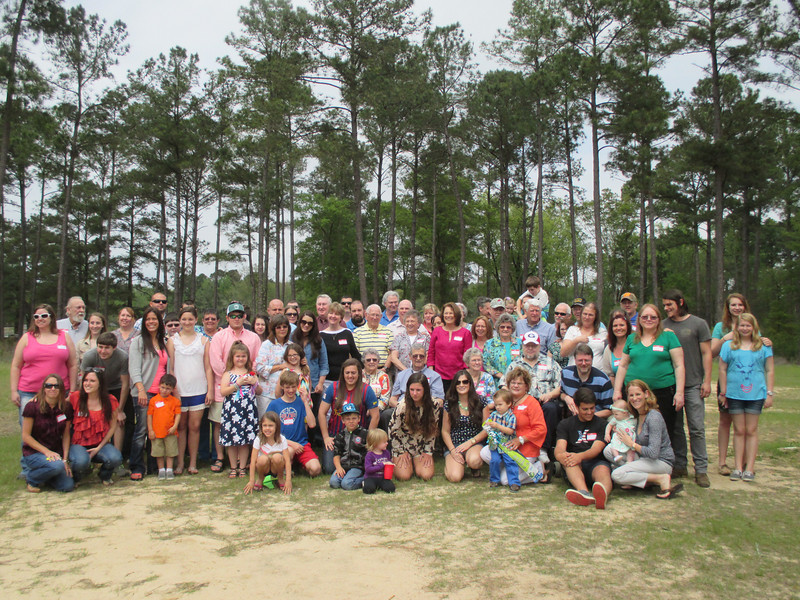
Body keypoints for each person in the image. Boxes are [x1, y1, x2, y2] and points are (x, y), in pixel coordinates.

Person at [612, 303, 685, 475]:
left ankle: (668, 465)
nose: (649, 320)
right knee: (636, 427)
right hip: (635, 395)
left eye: (653, 317)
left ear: (659, 319)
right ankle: (637, 463)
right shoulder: (632, 339)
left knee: (666, 428)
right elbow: (623, 365)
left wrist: (679, 392)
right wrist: (617, 390)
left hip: (663, 392)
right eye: (645, 317)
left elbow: (679, 365)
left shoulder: (668, 337)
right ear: (639, 319)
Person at [11, 303, 78, 475]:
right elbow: (16, 365)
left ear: (51, 317)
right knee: (28, 428)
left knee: (60, 427)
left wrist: (72, 390)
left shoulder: (63, 336)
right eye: (36, 316)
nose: (40, 319)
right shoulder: (27, 337)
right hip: (29, 391)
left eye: (44, 316)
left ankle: (62, 462)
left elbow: (72, 364)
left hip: (59, 392)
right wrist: (13, 391)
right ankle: (28, 468)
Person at [710, 293, 771, 476]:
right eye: (733, 305)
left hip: (751, 384)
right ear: (728, 308)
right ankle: (722, 462)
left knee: (747, 427)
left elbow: (759, 347)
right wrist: (725, 338)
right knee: (726, 421)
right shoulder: (721, 327)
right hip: (729, 382)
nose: (736, 308)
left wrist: (767, 341)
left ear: (745, 306)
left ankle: (745, 464)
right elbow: (712, 352)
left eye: (740, 305)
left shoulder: (749, 323)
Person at [663, 289, 712, 486]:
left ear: (680, 302)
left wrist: (707, 381)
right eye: (664, 305)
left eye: (670, 304)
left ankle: (701, 469)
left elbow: (707, 353)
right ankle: (680, 465)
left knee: (696, 428)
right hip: (671, 384)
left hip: (693, 384)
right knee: (676, 428)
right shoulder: (663, 326)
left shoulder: (698, 324)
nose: (666, 308)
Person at [208, 302, 262, 473]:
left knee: (245, 426)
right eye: (233, 316)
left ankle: (242, 461)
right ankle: (220, 457)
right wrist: (231, 375)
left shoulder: (253, 337)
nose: (236, 318)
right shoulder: (219, 336)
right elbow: (215, 361)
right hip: (224, 387)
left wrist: (249, 374)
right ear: (227, 318)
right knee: (221, 424)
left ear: (245, 317)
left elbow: (257, 359)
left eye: (240, 315)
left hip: (247, 388)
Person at [611, 380, 683, 499]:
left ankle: (660, 478)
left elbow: (653, 453)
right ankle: (643, 480)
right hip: (644, 458)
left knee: (617, 474)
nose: (635, 398)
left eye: (638, 394)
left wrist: (631, 444)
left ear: (646, 394)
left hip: (660, 461)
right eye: (631, 395)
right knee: (609, 451)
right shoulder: (636, 415)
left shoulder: (653, 417)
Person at [479, 367, 548, 485]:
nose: (515, 386)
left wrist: (521, 440)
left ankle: (539, 469)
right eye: (513, 383)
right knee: (484, 452)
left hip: (525, 448)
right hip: (505, 445)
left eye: (519, 383)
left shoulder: (532, 403)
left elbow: (541, 429)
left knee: (505, 481)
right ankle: (509, 470)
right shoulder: (506, 401)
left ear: (526, 386)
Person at [501, 332, 561, 462]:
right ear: (522, 346)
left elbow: (560, 386)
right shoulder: (514, 364)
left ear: (539, 346)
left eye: (533, 346)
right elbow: (503, 385)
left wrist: (550, 394)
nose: (530, 348)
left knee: (551, 408)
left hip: (544, 402)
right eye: (527, 345)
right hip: (520, 402)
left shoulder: (550, 363)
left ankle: (543, 448)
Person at [167, 306, 213, 475]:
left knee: (195, 427)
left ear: (196, 320)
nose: (187, 322)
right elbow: (171, 368)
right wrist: (174, 390)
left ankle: (193, 463)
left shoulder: (204, 340)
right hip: (179, 391)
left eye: (190, 319)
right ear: (180, 321)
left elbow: (208, 367)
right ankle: (180, 463)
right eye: (184, 319)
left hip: (198, 390)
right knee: (181, 427)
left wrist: (209, 390)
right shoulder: (172, 341)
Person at [128, 307, 169, 480]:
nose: (151, 322)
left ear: (160, 322)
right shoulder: (138, 342)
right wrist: (141, 390)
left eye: (154, 319)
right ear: (144, 322)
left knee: (156, 430)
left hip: (161, 394)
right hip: (144, 392)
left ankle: (153, 465)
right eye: (148, 319)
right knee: (142, 430)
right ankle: (137, 466)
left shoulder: (163, 341)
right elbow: (134, 368)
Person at [555, 388, 612, 509]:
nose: (589, 412)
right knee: (570, 462)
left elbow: (596, 449)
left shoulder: (602, 424)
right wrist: (561, 456)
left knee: (603, 470)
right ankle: (584, 493)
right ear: (576, 407)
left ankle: (602, 496)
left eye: (592, 408)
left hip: (595, 462)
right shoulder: (565, 424)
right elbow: (560, 447)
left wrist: (580, 456)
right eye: (585, 409)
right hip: (574, 464)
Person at [319, 358, 379, 474]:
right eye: (347, 373)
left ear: (359, 374)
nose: (350, 376)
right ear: (343, 373)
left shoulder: (366, 389)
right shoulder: (333, 387)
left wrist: (368, 438)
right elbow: (321, 413)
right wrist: (326, 437)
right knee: (329, 469)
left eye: (353, 373)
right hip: (335, 436)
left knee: (361, 466)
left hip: (358, 436)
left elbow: (375, 415)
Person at [68, 368, 123, 485]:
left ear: (100, 384)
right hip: (78, 444)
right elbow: (59, 403)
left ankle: (104, 476)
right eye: (85, 380)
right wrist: (37, 398)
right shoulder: (76, 397)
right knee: (81, 462)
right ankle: (76, 477)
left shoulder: (110, 400)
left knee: (115, 458)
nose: (87, 384)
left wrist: (98, 448)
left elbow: (112, 427)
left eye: (92, 381)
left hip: (100, 444)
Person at [21, 375, 74, 493]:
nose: (52, 389)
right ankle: (31, 479)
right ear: (43, 388)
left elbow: (66, 435)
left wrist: (65, 460)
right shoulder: (32, 406)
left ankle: (48, 477)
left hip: (56, 454)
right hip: (35, 453)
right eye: (49, 386)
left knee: (67, 486)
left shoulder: (66, 407)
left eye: (56, 386)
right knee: (57, 466)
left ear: (61, 389)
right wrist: (47, 452)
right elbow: (25, 436)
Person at [81, 332, 130, 457]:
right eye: (100, 347)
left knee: (119, 420)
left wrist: (120, 410)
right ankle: (88, 450)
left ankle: (118, 456)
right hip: (95, 388)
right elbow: (84, 380)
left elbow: (125, 384)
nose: (103, 351)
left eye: (107, 348)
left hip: (116, 387)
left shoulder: (122, 357)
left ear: (114, 348)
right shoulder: (89, 356)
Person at [266, 370, 322, 477]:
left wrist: (305, 402)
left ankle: (299, 465)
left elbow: (312, 424)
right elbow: (268, 431)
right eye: (287, 387)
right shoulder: (274, 404)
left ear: (297, 386)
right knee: (290, 451)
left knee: (315, 469)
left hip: (301, 443)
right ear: (282, 386)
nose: (291, 390)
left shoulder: (301, 402)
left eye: (293, 387)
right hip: (283, 443)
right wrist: (291, 443)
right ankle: (285, 470)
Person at [388, 373, 442, 481]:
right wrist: (400, 451)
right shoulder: (402, 406)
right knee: (404, 476)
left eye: (418, 390)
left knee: (426, 475)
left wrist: (428, 451)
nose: (414, 393)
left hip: (421, 444)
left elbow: (433, 430)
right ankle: (397, 459)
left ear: (425, 390)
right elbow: (392, 430)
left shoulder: (434, 405)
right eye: (412, 390)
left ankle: (415, 462)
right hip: (402, 443)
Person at [219, 341, 260, 478]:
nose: (241, 359)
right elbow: (223, 391)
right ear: (232, 357)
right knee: (232, 441)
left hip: (248, 410)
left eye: (243, 356)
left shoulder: (251, 374)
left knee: (245, 440)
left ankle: (242, 467)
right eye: (238, 356)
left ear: (247, 358)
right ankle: (233, 467)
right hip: (232, 410)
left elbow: (259, 391)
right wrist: (237, 384)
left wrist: (255, 383)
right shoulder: (228, 373)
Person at [442, 369, 490, 482]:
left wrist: (471, 442)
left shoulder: (481, 401)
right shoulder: (449, 404)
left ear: (470, 383)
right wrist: (453, 451)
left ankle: (472, 466)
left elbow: (487, 429)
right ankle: (454, 464)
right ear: (454, 385)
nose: (461, 385)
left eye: (465, 382)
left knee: (474, 461)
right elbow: (445, 431)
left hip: (474, 442)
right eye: (458, 382)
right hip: (455, 444)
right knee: (455, 477)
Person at [388, 344, 444, 428]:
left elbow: (440, 401)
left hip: (426, 411)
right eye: (415, 356)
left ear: (426, 357)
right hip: (403, 408)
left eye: (421, 356)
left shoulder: (435, 376)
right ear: (410, 356)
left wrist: (420, 408)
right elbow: (392, 400)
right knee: (386, 415)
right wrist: (404, 408)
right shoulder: (401, 375)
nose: (418, 358)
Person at [243, 411, 292, 495]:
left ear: (277, 426)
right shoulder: (258, 439)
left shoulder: (282, 439)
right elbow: (253, 461)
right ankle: (260, 478)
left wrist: (288, 480)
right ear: (261, 426)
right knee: (262, 459)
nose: (267, 428)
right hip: (263, 467)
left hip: (276, 467)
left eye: (270, 425)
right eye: (264, 425)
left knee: (277, 457)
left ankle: (280, 478)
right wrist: (251, 481)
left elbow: (287, 461)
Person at [560, 343, 614, 418]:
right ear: (575, 360)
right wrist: (566, 398)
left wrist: (586, 416)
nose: (584, 363)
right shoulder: (566, 373)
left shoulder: (603, 380)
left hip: (594, 419)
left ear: (592, 360)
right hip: (571, 419)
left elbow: (609, 410)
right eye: (580, 360)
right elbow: (561, 393)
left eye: (587, 360)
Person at [427, 302, 471, 392]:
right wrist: (431, 371)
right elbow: (431, 352)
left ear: (456, 314)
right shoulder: (437, 331)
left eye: (451, 313)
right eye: (446, 313)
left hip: (459, 377)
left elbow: (468, 356)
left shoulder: (465, 333)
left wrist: (465, 374)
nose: (448, 316)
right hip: (438, 376)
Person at [254, 314, 292, 417]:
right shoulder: (266, 345)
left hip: (286, 393)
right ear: (273, 329)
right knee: (266, 421)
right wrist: (280, 367)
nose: (282, 329)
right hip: (267, 393)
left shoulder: (291, 346)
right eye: (278, 327)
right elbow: (260, 368)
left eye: (284, 326)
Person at [147, 373, 181, 481]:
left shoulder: (175, 401)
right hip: (157, 432)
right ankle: (161, 470)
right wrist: (150, 430)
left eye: (168, 388)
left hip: (170, 431)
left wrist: (175, 426)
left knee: (171, 451)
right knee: (159, 452)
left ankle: (169, 469)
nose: (164, 390)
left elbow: (178, 414)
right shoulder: (153, 400)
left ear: (173, 389)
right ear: (159, 386)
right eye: (162, 387)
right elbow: (149, 416)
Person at [486, 389, 520, 491]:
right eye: (496, 405)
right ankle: (494, 480)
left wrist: (497, 426)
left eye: (500, 404)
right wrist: (488, 425)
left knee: (510, 462)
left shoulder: (511, 416)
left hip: (507, 444)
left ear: (509, 404)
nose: (498, 407)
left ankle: (514, 482)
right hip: (495, 444)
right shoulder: (493, 415)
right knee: (494, 461)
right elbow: (487, 425)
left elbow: (510, 431)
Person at [329, 402, 369, 490]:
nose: (351, 421)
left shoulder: (365, 434)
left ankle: (366, 479)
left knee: (347, 484)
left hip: (357, 466)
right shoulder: (340, 435)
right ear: (343, 420)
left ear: (359, 418)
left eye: (354, 418)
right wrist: (338, 468)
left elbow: (369, 452)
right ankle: (347, 478)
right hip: (344, 465)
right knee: (334, 482)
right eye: (347, 419)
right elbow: (336, 454)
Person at [320, 302, 361, 386]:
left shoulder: (347, 333)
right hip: (326, 380)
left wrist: (363, 370)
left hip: (345, 379)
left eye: (337, 314)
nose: (333, 316)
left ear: (341, 317)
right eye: (331, 313)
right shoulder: (321, 335)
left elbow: (355, 355)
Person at [560, 301, 607, 368]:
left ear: (595, 317)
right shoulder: (572, 330)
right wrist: (576, 341)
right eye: (585, 314)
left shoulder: (602, 332)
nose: (587, 317)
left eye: (590, 315)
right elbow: (563, 353)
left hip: (597, 371)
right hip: (575, 370)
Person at [482, 313, 521, 384]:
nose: (505, 329)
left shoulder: (519, 343)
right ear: (498, 328)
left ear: (512, 329)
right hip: (496, 382)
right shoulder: (489, 344)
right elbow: (486, 364)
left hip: (517, 382)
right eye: (502, 327)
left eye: (508, 327)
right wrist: (502, 376)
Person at [601, 310, 632, 387]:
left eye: (622, 325)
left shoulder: (634, 345)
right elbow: (609, 374)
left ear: (627, 326)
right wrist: (617, 390)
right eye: (615, 326)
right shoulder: (608, 349)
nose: (618, 328)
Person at [603, 400, 637, 465]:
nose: (614, 416)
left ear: (624, 413)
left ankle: (629, 462)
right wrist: (607, 434)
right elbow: (609, 425)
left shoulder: (632, 418)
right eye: (613, 414)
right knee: (613, 446)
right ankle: (616, 456)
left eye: (616, 414)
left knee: (630, 451)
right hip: (618, 438)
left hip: (629, 438)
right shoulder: (616, 419)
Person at [362, 429, 395, 494]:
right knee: (369, 490)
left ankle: (380, 486)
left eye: (386, 441)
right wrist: (382, 464)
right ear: (375, 444)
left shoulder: (386, 453)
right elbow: (368, 469)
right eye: (384, 442)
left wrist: (390, 464)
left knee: (391, 489)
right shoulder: (369, 455)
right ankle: (365, 483)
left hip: (383, 477)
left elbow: (388, 462)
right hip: (371, 477)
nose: (387, 443)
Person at [362, 349, 391, 420]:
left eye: (374, 360)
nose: (371, 362)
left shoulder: (383, 376)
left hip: (377, 407)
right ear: (364, 362)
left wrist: (373, 409)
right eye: (368, 360)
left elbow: (385, 399)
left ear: (378, 362)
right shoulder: (358, 375)